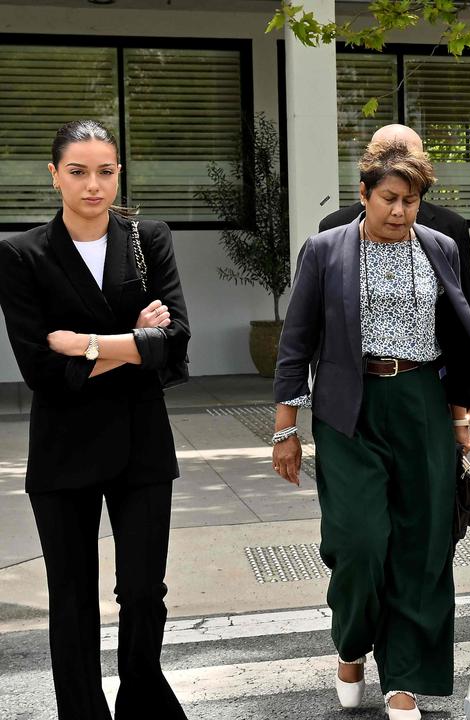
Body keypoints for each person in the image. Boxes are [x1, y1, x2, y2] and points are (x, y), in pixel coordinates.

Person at [271, 139, 470, 720]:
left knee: (422, 549)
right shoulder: (325, 250)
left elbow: (461, 332)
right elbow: (296, 341)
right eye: (389, 199)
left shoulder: (440, 247)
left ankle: (403, 680)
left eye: (411, 201)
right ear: (363, 195)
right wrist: (285, 427)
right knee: (360, 543)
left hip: (421, 402)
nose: (399, 211)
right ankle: (351, 643)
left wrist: (462, 417)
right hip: (350, 408)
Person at [0, 119, 191, 719]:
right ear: (54, 175)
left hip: (141, 442)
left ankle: (142, 700)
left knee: (143, 592)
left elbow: (178, 344)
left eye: (105, 172)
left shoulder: (147, 239)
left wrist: (84, 344)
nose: (93, 185)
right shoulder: (22, 254)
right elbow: (40, 371)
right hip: (63, 449)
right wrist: (136, 341)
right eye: (78, 172)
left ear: (118, 175)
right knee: (73, 597)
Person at [319, 124, 470, 352]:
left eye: (409, 157)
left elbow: (464, 306)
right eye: (387, 154)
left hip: (429, 372)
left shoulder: (449, 228)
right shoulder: (335, 228)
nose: (399, 164)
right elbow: (319, 316)